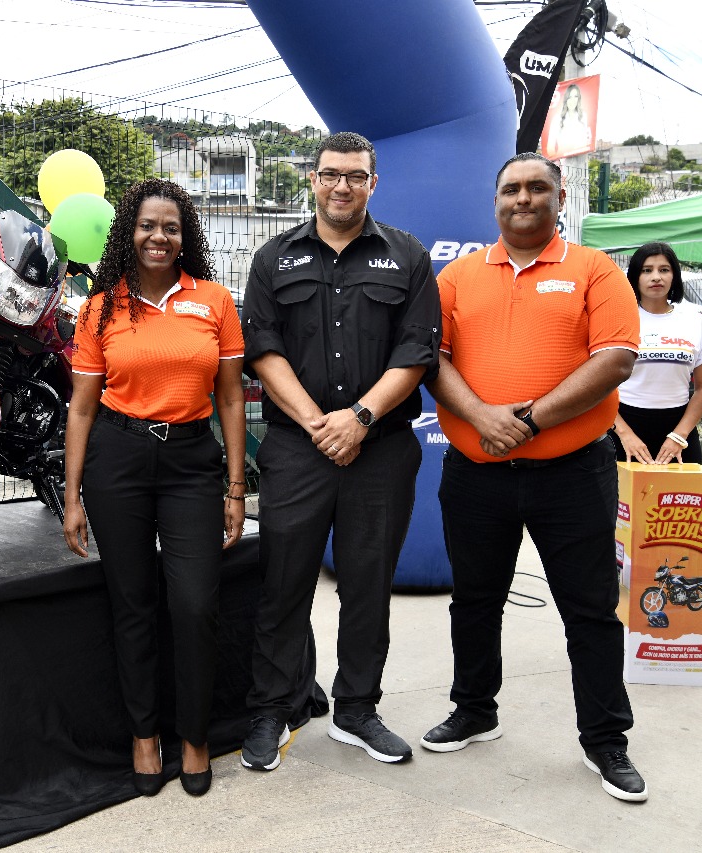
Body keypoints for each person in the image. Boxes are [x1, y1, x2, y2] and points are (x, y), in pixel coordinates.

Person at [425, 152, 647, 803]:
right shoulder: (458, 276)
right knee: (474, 600)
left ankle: (605, 739)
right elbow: (432, 358)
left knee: (590, 609)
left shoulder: (595, 270)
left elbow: (615, 360)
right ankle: (474, 709)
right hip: (476, 472)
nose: (522, 198)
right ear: (495, 201)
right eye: (511, 189)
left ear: (559, 197)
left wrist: (524, 420)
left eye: (536, 188)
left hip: (573, 474)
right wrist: (481, 418)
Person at [239, 132, 440, 770]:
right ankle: (274, 707)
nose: (342, 187)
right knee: (283, 584)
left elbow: (417, 351)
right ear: (314, 179)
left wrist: (359, 419)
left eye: (355, 176)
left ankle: (357, 709)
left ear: (372, 183)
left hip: (380, 450)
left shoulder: (408, 256)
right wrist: (321, 425)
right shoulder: (274, 258)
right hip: (297, 451)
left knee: (368, 586)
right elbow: (263, 350)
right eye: (330, 175)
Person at [62, 178, 246, 798]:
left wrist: (236, 487)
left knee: (194, 605)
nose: (158, 237)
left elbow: (231, 399)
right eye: (147, 226)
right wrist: (72, 496)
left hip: (192, 463)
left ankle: (194, 737)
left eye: (170, 227)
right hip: (118, 460)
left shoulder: (213, 301)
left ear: (184, 236)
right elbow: (82, 408)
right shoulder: (100, 309)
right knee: (132, 603)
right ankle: (145, 737)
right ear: (129, 233)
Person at [611, 242, 702, 464]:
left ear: (674, 276)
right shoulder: (616, 320)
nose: (656, 277)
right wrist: (624, 433)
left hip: (679, 433)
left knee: (683, 489)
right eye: (647, 270)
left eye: (664, 270)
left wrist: (679, 435)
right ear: (635, 276)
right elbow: (598, 387)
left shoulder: (696, 322)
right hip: (624, 433)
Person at [545, 83, 592, 159]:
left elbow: (586, 142)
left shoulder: (583, 116)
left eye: (575, 96)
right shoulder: (557, 118)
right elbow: (550, 147)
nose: (572, 100)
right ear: (566, 99)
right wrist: (558, 161)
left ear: (578, 99)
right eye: (569, 97)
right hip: (562, 161)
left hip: (580, 160)